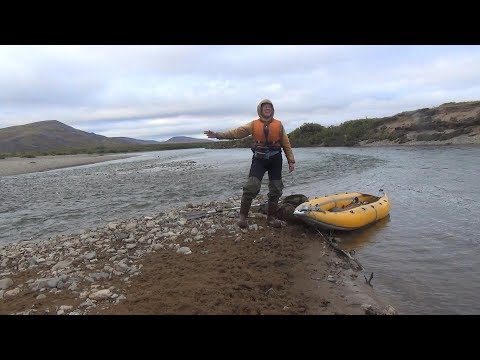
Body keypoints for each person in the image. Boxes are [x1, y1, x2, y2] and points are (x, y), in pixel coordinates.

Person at [204, 99, 295, 228]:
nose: (267, 109)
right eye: (265, 107)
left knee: (276, 189)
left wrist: (291, 161)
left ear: (272, 110)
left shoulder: (279, 125)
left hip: (275, 160)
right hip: (259, 160)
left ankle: (271, 219)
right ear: (260, 110)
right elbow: (236, 133)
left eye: (269, 107)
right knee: (251, 186)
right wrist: (218, 135)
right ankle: (242, 218)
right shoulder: (253, 124)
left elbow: (286, 144)